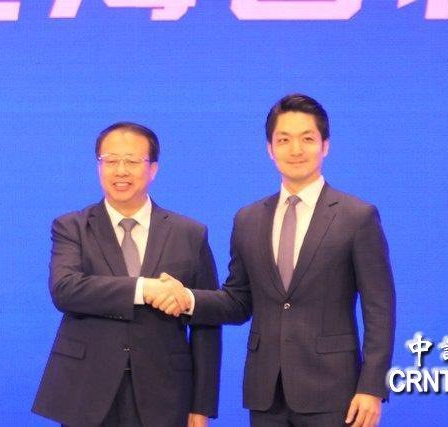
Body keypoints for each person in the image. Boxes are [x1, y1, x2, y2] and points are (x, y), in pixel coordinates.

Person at [152, 94, 396, 426]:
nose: (295, 150)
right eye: (284, 140)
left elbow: (380, 308)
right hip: (266, 392)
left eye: (307, 139)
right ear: (270, 148)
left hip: (334, 391)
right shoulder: (248, 219)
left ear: (325, 145)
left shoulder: (357, 216)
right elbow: (238, 301)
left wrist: (372, 387)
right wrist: (187, 298)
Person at [32, 122, 221, 427]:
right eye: (110, 160)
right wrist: (143, 289)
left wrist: (201, 406)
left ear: (153, 169)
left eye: (132, 161)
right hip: (87, 390)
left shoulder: (189, 233)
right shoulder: (72, 227)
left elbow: (206, 323)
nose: (121, 170)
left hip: (165, 392)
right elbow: (65, 289)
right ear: (99, 166)